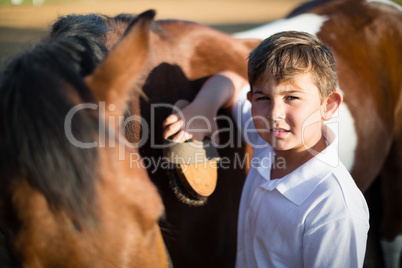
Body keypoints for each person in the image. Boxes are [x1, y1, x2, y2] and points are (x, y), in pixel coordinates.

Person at [163, 31, 369, 267]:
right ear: (252, 100)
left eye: (291, 97)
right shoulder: (267, 143)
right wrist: (203, 107)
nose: (274, 114)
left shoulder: (333, 208)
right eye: (263, 98)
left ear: (329, 105)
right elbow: (229, 80)